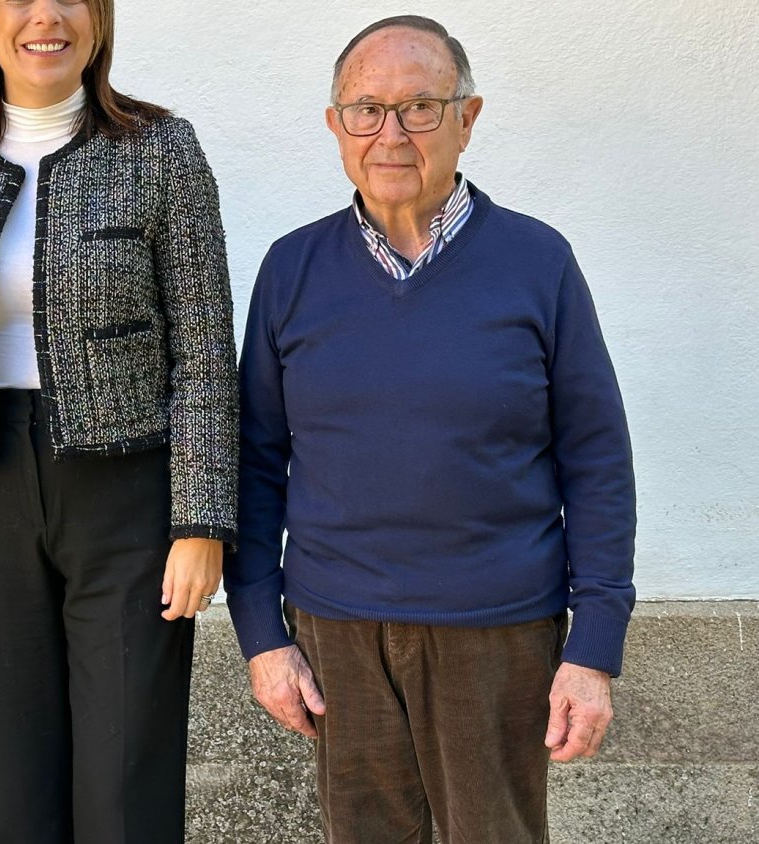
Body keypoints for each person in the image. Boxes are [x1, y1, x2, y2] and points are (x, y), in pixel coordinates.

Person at [227, 15, 636, 843]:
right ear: (336, 126)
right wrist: (262, 635)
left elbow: (597, 464)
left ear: (467, 119)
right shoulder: (291, 270)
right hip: (337, 633)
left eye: (420, 107)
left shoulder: (538, 262)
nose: (391, 133)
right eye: (366, 109)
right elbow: (255, 463)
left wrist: (592, 650)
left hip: (500, 632)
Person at [0, 1, 238, 841]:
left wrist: (202, 521)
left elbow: (202, 342)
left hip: (128, 492)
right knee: (9, 784)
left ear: (97, 19)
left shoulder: (161, 150)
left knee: (127, 776)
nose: (44, 17)